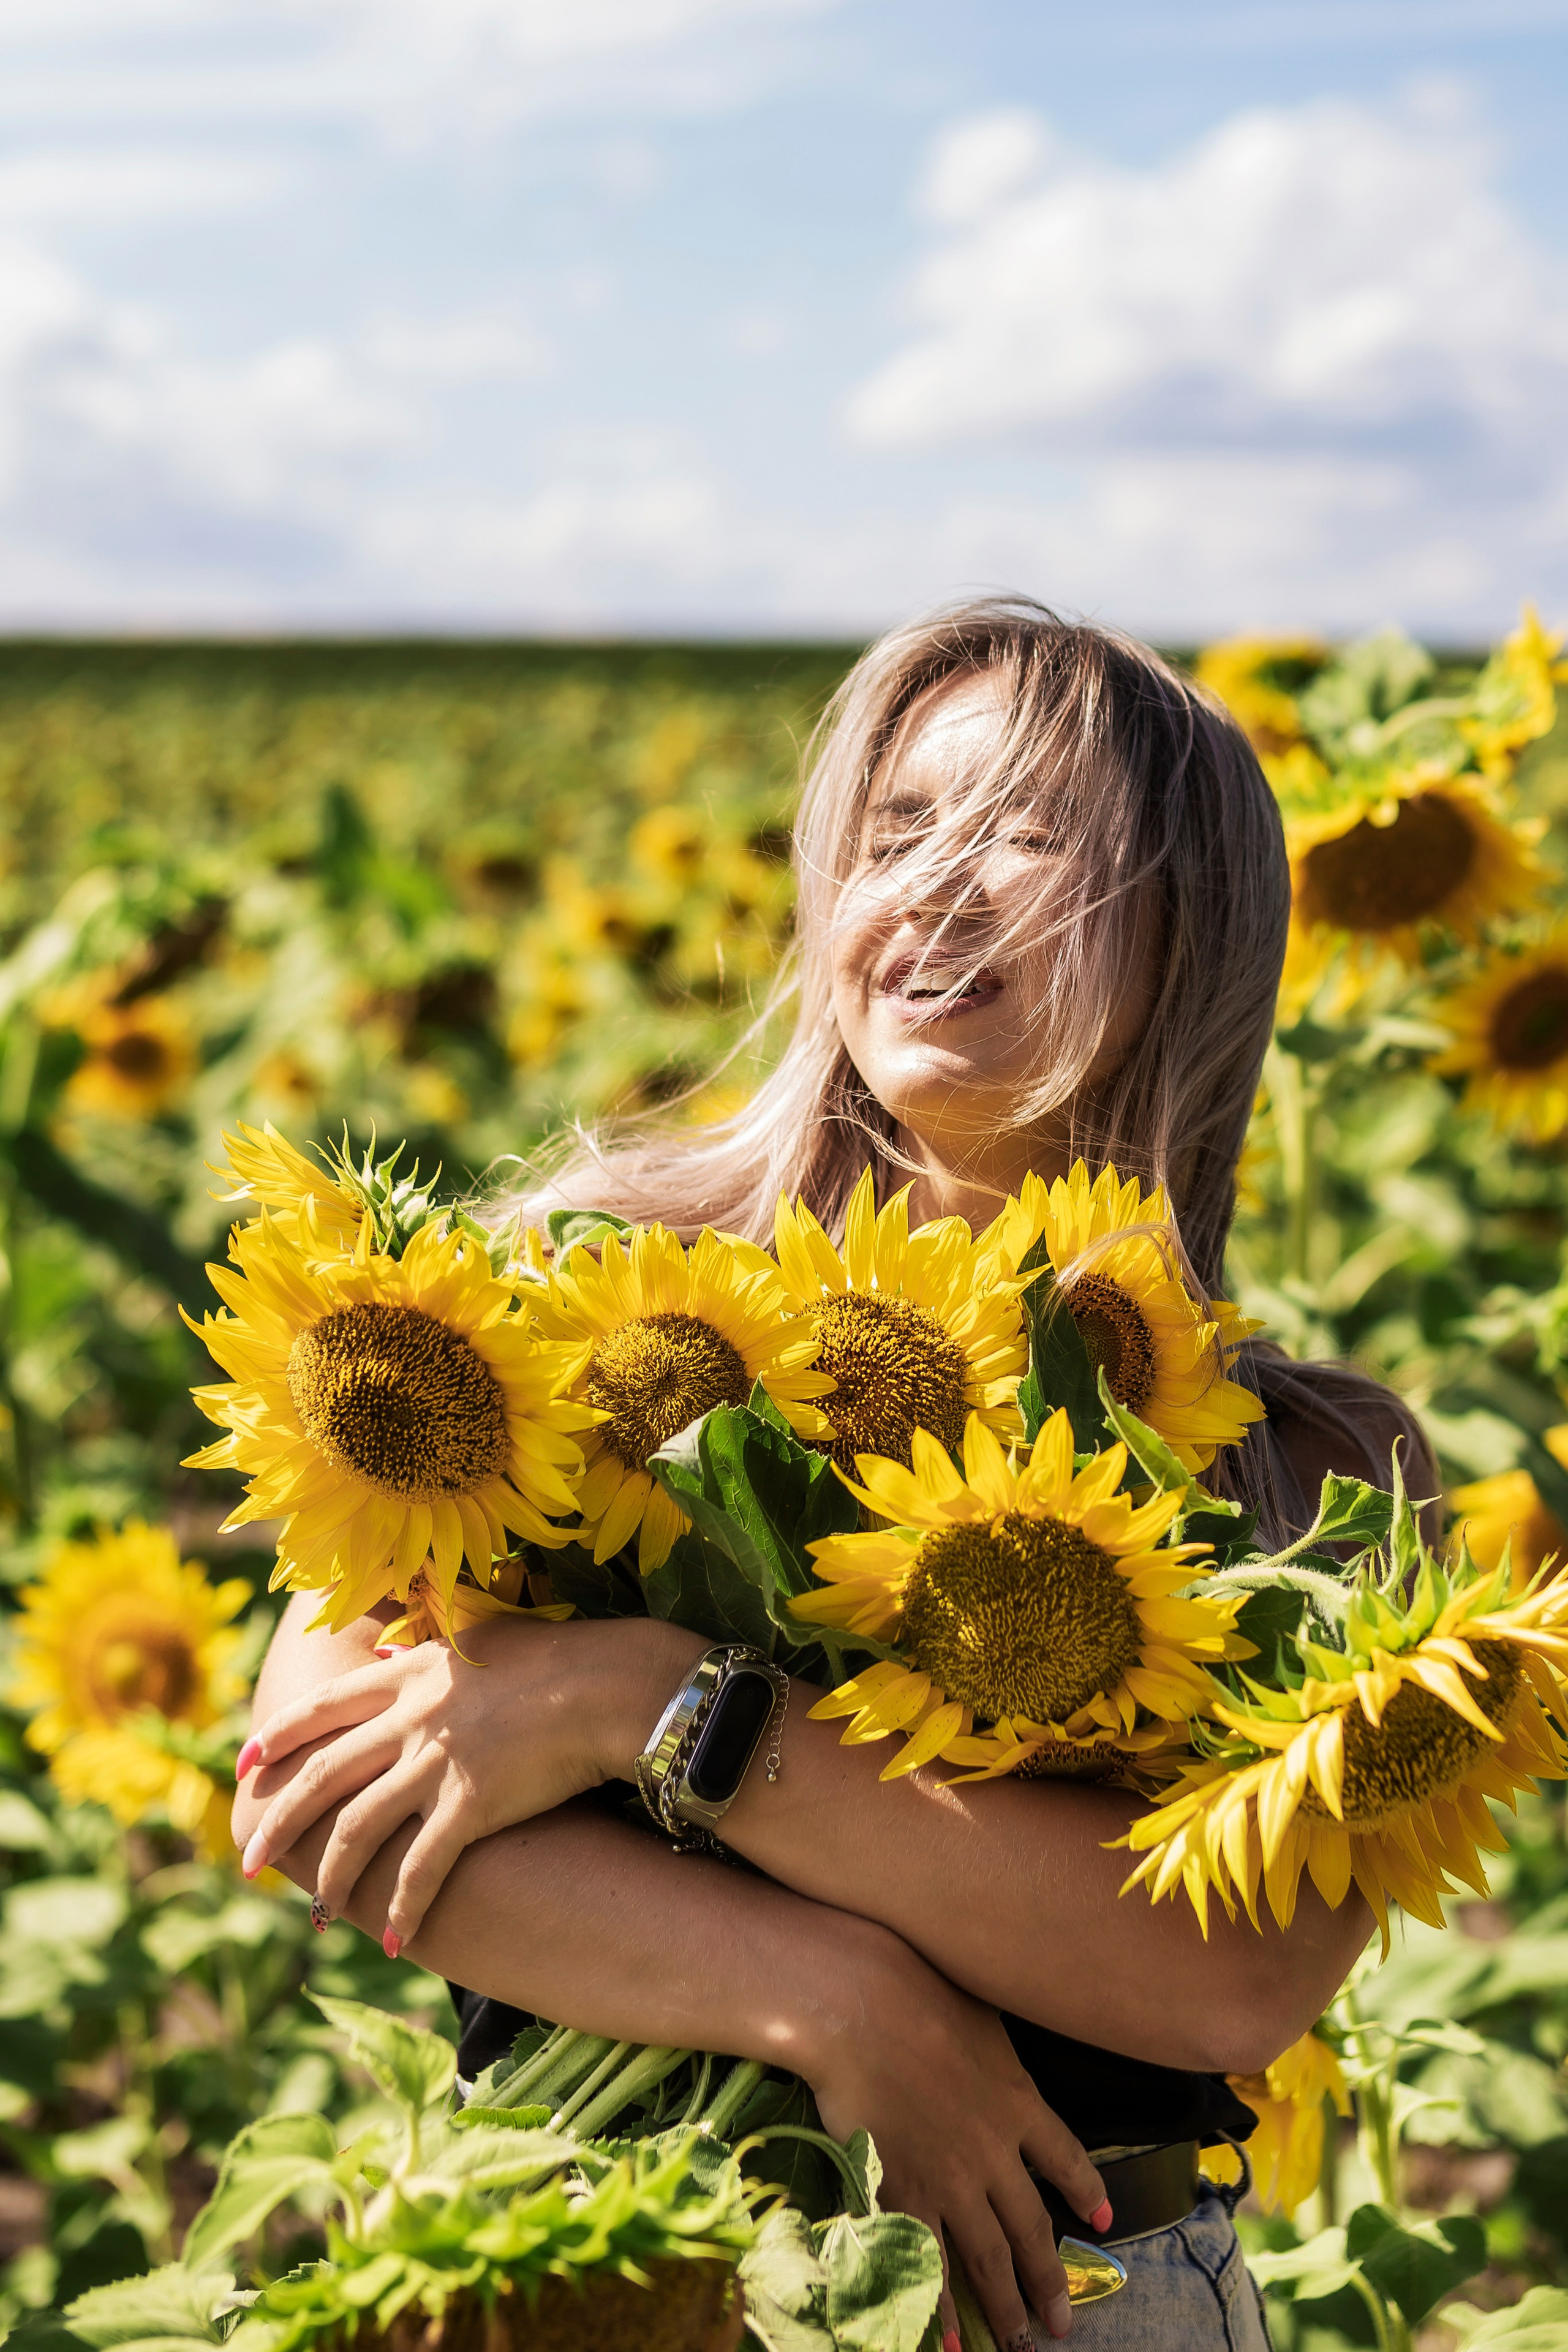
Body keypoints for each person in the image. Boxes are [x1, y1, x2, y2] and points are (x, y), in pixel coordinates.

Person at [232, 601, 1433, 2350]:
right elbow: (317, 1795)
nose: (943, 887)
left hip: (1079, 2305)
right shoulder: (566, 1302)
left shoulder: (1305, 1462)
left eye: (1030, 838)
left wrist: (648, 1707)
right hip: (597, 2271)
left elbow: (1232, 1973)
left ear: (1199, 933)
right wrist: (842, 2001)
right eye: (898, 832)